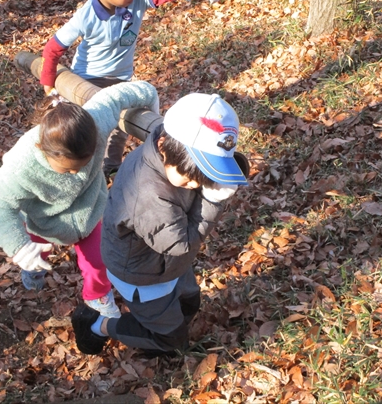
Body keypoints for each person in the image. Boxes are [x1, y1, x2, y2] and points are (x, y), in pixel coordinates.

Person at [70, 93, 249, 356]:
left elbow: (179, 236)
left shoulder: (165, 150)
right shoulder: (149, 194)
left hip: (166, 264)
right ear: (164, 144)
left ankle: (162, 328)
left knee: (189, 302)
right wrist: (213, 200)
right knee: (170, 339)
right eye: (191, 178)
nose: (197, 186)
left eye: (205, 177)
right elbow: (180, 244)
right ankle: (98, 325)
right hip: (142, 275)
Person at [39, 0, 227, 176]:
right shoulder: (86, 16)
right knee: (93, 128)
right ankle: (83, 172)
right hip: (88, 78)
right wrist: (48, 86)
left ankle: (112, 169)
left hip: (121, 78)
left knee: (120, 128)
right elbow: (52, 49)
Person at [0, 81, 159, 320]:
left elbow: (123, 94)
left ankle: (97, 295)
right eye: (68, 170)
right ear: (43, 150)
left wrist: (155, 116)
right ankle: (32, 274)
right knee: (38, 256)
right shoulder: (20, 165)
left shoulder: (96, 120)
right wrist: (19, 247)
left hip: (90, 212)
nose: (76, 174)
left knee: (100, 261)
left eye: (83, 166)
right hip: (44, 221)